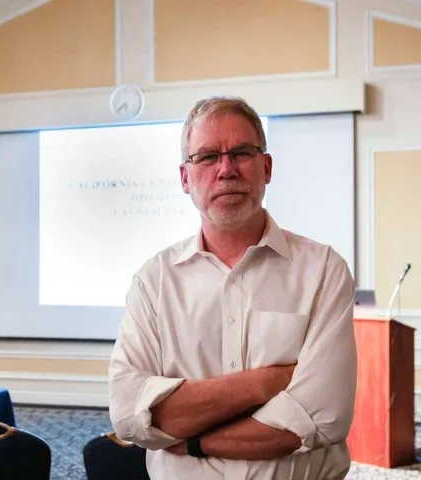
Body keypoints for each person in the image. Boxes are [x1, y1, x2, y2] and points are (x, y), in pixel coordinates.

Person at [108, 96, 357, 480]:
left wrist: (190, 439)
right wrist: (266, 382)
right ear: (185, 178)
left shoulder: (323, 269)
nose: (226, 169)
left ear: (266, 167)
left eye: (241, 152)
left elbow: (320, 419)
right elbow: (128, 415)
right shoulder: (153, 281)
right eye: (207, 157)